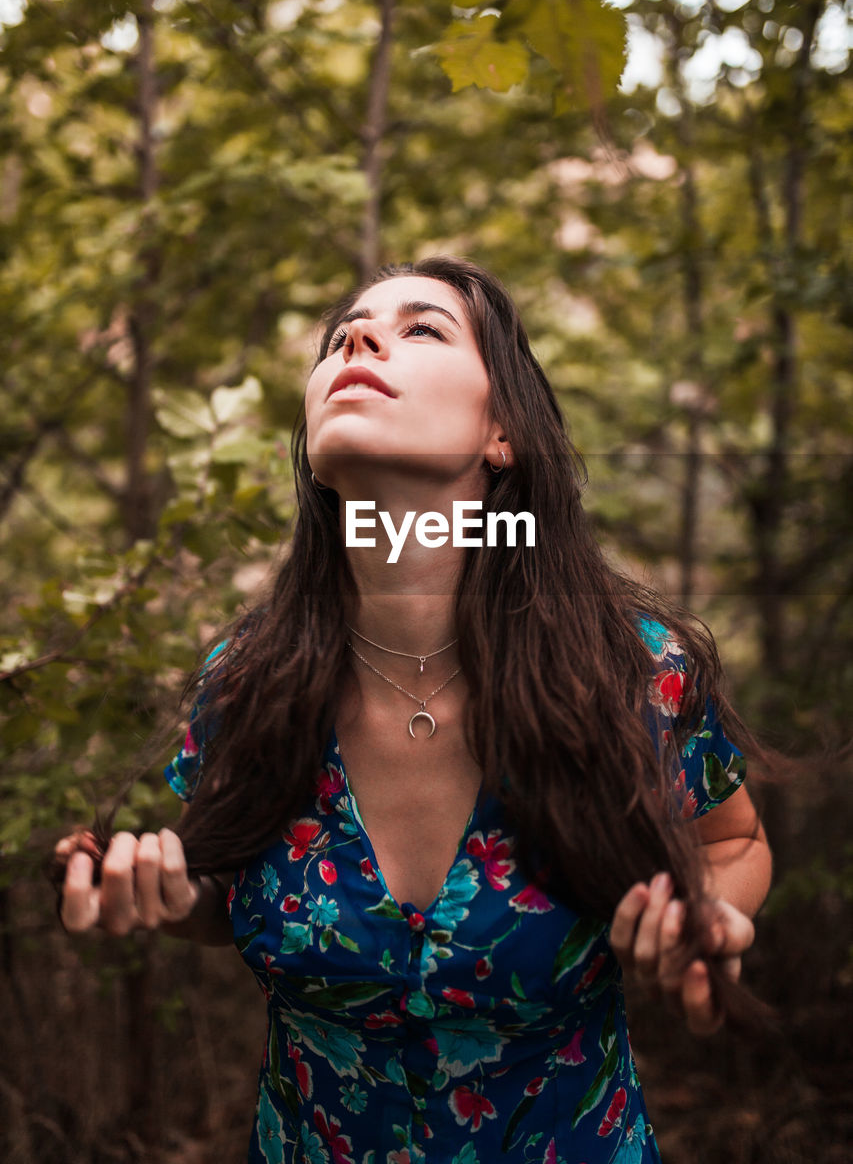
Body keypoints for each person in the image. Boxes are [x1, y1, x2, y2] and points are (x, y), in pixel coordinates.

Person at [56, 256, 772, 1164]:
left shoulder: (631, 670)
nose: (356, 340)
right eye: (342, 334)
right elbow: (232, 903)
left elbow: (734, 843)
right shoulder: (243, 683)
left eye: (421, 328)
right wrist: (161, 895)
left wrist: (710, 914)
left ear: (502, 431)